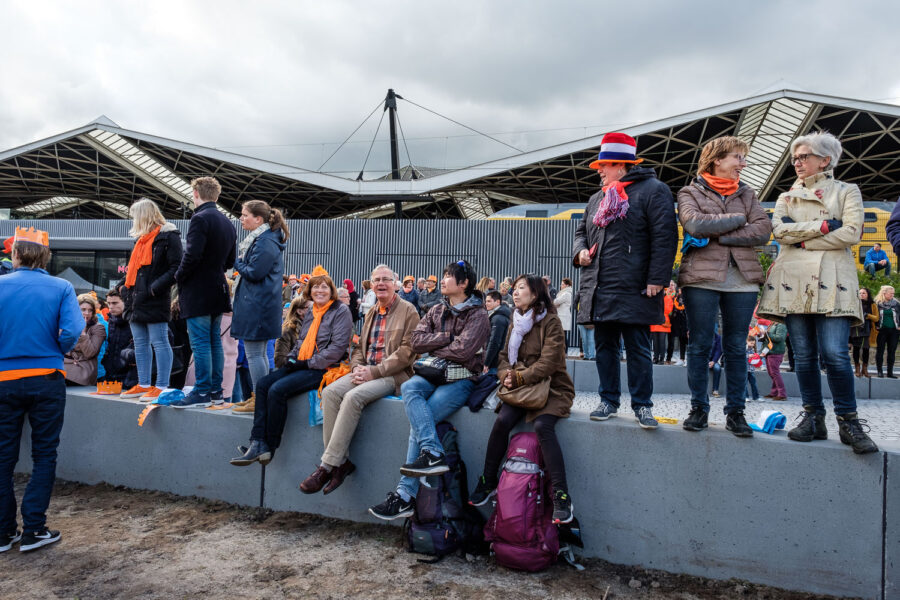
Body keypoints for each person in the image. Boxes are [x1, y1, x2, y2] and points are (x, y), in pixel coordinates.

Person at [757, 132, 877, 454]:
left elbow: (851, 232)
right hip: (793, 281)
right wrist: (823, 227)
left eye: (804, 156)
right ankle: (813, 416)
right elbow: (779, 232)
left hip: (833, 279)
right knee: (805, 356)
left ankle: (848, 421)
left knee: (836, 353)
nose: (797, 162)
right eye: (795, 157)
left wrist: (803, 241)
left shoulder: (847, 191)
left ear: (825, 160)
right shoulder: (786, 197)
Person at [369, 260, 489, 520]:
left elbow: (465, 351)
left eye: (448, 276)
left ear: (464, 283)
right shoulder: (437, 310)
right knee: (411, 386)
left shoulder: (478, 315)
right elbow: (416, 341)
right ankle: (433, 452)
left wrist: (436, 345)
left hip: (462, 378)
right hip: (434, 372)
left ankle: (404, 495)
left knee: (420, 421)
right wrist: (446, 339)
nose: (443, 280)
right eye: (444, 275)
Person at [573, 132, 678, 429]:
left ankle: (642, 404)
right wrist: (579, 251)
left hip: (636, 286)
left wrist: (658, 277)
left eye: (603, 167)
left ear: (620, 165)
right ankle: (608, 400)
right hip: (600, 285)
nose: (599, 172)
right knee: (605, 347)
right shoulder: (597, 198)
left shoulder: (654, 191)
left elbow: (665, 236)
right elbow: (581, 232)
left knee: (638, 348)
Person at [676, 135, 772, 436]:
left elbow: (763, 231)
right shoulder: (689, 191)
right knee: (700, 344)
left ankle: (736, 412)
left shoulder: (748, 193)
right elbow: (694, 224)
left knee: (735, 346)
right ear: (717, 159)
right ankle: (698, 408)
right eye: (737, 157)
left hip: (742, 280)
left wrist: (723, 232)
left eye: (743, 158)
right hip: (701, 278)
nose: (742, 164)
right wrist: (740, 220)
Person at [300, 266, 419, 495]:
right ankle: (342, 463)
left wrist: (374, 372)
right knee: (330, 393)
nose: (381, 284)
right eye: (377, 280)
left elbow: (407, 352)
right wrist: (356, 368)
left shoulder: (409, 311)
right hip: (366, 371)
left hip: (392, 375)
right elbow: (358, 348)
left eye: (386, 279)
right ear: (371, 285)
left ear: (395, 283)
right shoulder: (372, 311)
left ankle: (327, 466)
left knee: (353, 397)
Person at [0, 227, 83, 553]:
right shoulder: (61, 286)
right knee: (44, 455)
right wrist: (52, 349)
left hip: (3, 379)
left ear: (16, 254)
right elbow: (73, 330)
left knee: (3, 460)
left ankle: (4, 533)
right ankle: (34, 530)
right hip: (46, 376)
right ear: (45, 257)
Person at [468, 274, 575, 524]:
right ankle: (487, 479)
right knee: (502, 420)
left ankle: (561, 495)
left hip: (552, 388)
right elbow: (504, 356)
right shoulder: (515, 321)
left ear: (535, 294)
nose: (515, 293)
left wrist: (517, 378)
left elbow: (550, 363)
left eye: (521, 289)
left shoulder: (550, 322)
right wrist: (506, 374)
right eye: (514, 289)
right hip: (520, 387)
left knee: (542, 426)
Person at [230, 266, 352, 466]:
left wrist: (306, 363)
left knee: (278, 390)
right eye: (315, 288)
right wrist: (291, 358)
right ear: (309, 291)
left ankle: (270, 446)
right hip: (304, 362)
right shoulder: (312, 310)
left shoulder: (341, 311)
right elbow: (301, 341)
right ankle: (257, 441)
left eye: (324, 287)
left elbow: (337, 348)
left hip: (326, 367)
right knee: (262, 384)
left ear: (331, 290)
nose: (319, 291)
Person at [172, 177, 237, 408]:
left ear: (195, 192)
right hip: (218, 288)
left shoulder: (199, 219)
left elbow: (192, 255)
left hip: (198, 290)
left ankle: (201, 392)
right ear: (217, 196)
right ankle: (215, 392)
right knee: (214, 342)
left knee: (200, 343)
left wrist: (178, 276)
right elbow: (230, 261)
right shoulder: (227, 222)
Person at [118, 198, 183, 401]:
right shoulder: (140, 240)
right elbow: (134, 269)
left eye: (135, 216)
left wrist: (154, 288)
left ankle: (162, 385)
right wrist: (121, 287)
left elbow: (176, 268)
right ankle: (144, 384)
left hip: (154, 298)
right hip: (135, 299)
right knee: (140, 342)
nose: (133, 220)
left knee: (160, 342)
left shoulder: (168, 237)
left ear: (144, 216)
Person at [231, 200, 289, 408]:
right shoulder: (267, 239)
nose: (241, 218)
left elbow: (255, 272)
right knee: (260, 354)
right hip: (261, 305)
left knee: (255, 354)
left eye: (245, 215)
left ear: (258, 219)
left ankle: (259, 398)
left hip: (257, 306)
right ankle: (259, 397)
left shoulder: (264, 241)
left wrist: (236, 261)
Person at [62, 295, 107, 386]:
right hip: (63, 366)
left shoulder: (98, 327)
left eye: (90, 310)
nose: (87, 313)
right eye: (83, 309)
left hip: (82, 370)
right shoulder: (67, 324)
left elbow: (90, 353)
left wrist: (83, 334)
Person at [98, 290, 138, 390]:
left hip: (132, 378)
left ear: (126, 302)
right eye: (109, 303)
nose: (111, 306)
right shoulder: (110, 321)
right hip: (110, 377)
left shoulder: (137, 321)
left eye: (115, 303)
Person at [850, 288, 878, 378]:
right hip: (856, 329)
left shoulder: (872, 304)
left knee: (866, 349)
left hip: (868, 329)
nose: (862, 294)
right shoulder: (855, 303)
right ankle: (857, 369)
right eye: (860, 293)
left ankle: (864, 369)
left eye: (864, 293)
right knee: (856, 349)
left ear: (867, 294)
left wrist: (868, 315)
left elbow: (876, 318)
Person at [483, 290, 512, 374]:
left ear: (498, 302)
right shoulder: (498, 315)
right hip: (497, 359)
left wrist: (486, 362)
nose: (486, 304)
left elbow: (494, 342)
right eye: (486, 301)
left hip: (495, 362)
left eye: (489, 301)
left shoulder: (497, 319)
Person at [874, 285, 900, 378]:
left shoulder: (896, 303)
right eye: (891, 293)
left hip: (894, 331)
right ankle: (879, 371)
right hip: (881, 330)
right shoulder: (877, 303)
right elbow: (874, 316)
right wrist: (875, 325)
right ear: (884, 293)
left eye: (893, 293)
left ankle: (890, 373)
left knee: (891, 351)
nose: (892, 295)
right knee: (880, 351)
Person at [763, 320, 787, 400]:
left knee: (775, 373)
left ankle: (782, 394)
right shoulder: (773, 323)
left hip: (776, 352)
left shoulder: (781, 324)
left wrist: (767, 334)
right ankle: (774, 392)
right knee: (772, 373)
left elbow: (780, 338)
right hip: (769, 351)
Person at [667, 285, 688, 365]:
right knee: (681, 341)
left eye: (680, 290)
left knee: (687, 342)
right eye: (679, 290)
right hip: (677, 324)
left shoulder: (687, 299)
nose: (679, 291)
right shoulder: (675, 299)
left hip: (686, 323)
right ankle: (681, 359)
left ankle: (688, 359)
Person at [553, 278, 573, 346]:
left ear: (567, 285)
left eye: (562, 284)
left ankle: (565, 352)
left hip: (563, 316)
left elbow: (556, 302)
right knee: (561, 335)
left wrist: (556, 303)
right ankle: (563, 351)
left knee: (562, 335)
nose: (561, 286)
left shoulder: (566, 294)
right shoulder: (564, 293)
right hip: (562, 316)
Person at [708, 328, 723, 397]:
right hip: (703, 359)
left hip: (713, 360)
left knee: (717, 368)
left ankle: (715, 390)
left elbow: (718, 350)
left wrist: (713, 361)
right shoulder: (703, 335)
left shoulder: (717, 337)